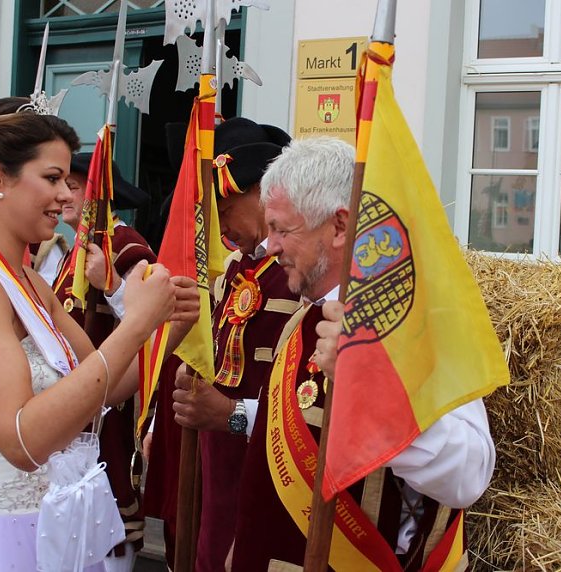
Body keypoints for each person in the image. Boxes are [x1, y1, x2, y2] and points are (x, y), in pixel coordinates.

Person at [0, 105, 199, 570]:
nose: (64, 195)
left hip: (47, 532)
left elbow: (104, 385)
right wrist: (135, 323)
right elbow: (23, 440)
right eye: (52, 178)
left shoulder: (27, 281)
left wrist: (170, 326)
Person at [222, 137, 495, 570]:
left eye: (282, 229)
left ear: (339, 227)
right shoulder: (302, 321)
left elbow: (468, 474)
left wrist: (367, 387)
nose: (269, 247)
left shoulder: (420, 324)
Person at [162, 117, 300, 570]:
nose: (218, 225)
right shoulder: (235, 269)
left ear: (262, 193)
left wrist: (232, 416)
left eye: (224, 206)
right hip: (216, 464)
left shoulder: (301, 276)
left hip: (272, 467)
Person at [53, 151, 153, 572]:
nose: (63, 196)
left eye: (76, 187)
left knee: (110, 502)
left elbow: (150, 322)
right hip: (72, 400)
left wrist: (109, 282)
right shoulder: (70, 249)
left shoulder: (128, 246)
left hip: (111, 401)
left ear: (100, 198)